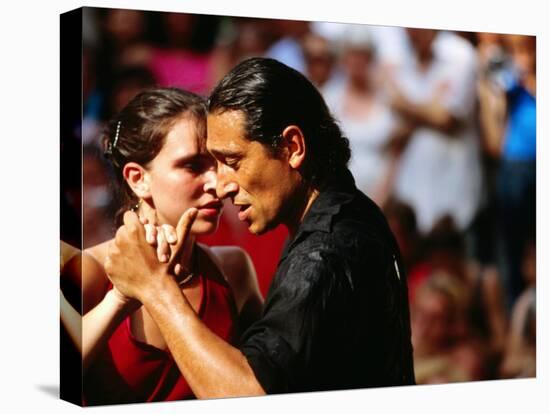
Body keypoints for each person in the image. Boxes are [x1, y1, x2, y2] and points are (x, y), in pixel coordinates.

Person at [105, 57, 415, 397]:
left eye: (233, 162)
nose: (221, 185)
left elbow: (250, 395)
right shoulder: (355, 212)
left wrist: (156, 290)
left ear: (292, 147)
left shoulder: (322, 253)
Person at [60, 87, 262, 405]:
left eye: (219, 163)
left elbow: (269, 387)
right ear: (137, 178)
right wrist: (121, 298)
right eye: (193, 166)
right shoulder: (90, 272)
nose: (218, 183)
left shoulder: (233, 269)